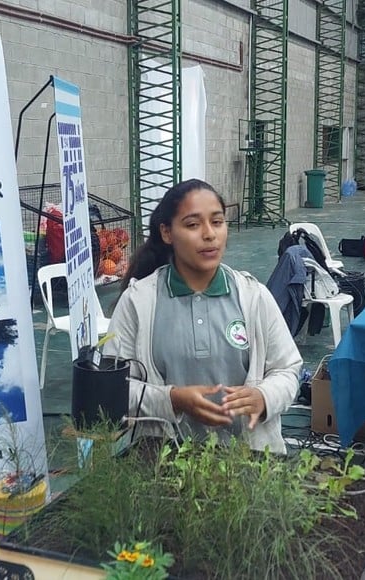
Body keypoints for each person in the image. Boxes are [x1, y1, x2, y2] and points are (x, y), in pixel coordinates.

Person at [103, 179, 301, 454]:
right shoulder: (139, 302)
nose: (209, 235)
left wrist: (262, 397)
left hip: (249, 466)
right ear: (167, 232)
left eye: (217, 222)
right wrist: (172, 399)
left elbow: (288, 370)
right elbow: (113, 392)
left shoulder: (253, 296)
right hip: (165, 464)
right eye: (193, 225)